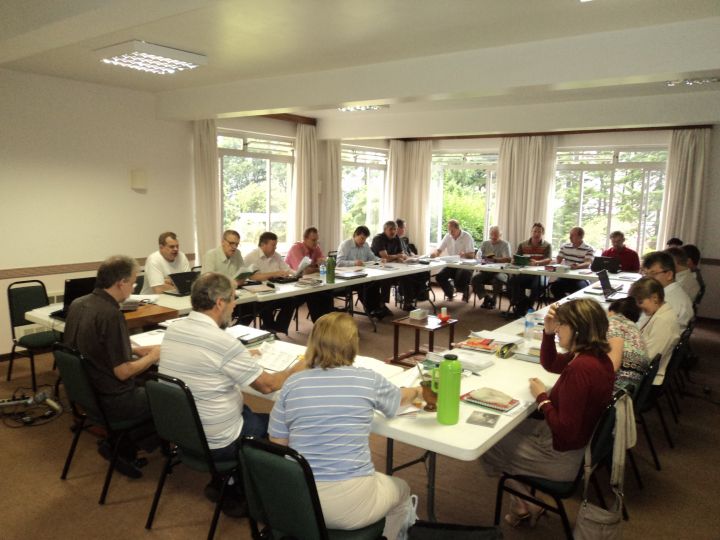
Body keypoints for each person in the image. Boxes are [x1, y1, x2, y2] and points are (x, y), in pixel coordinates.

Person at [160, 272, 305, 516]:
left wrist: (238, 358)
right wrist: (300, 366)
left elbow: (202, 360)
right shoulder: (222, 342)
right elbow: (267, 385)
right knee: (289, 423)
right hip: (220, 441)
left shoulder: (174, 330)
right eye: (233, 299)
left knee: (250, 411)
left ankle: (228, 480)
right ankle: (272, 495)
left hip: (183, 433)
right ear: (219, 303)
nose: (235, 304)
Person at [268, 312, 421, 539]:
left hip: (298, 499)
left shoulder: (292, 383)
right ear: (353, 345)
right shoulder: (367, 379)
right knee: (402, 489)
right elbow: (398, 400)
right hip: (348, 505)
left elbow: (277, 443)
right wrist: (418, 390)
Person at [482, 298, 614, 527]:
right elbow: (551, 363)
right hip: (575, 444)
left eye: (562, 325)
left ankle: (526, 503)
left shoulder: (581, 368)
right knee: (500, 426)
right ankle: (523, 503)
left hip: (561, 457)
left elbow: (566, 429)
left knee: (485, 440)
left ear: (578, 329)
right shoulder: (594, 356)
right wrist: (547, 332)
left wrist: (542, 397)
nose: (558, 329)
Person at [64, 255, 160, 478]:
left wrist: (135, 351)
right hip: (114, 400)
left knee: (149, 380)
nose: (134, 286)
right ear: (121, 283)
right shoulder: (111, 314)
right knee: (170, 395)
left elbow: (91, 346)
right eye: (134, 281)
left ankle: (122, 442)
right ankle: (127, 444)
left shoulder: (79, 304)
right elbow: (123, 372)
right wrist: (153, 355)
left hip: (88, 394)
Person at [629, 277, 681, 385]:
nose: (637, 306)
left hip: (647, 381)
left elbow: (647, 358)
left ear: (655, 298)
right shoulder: (658, 313)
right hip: (643, 370)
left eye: (640, 302)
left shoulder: (663, 322)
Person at [244, 232, 296, 333]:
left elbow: (287, 269)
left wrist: (297, 273)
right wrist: (274, 273)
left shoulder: (276, 255)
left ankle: (276, 329)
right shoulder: (251, 257)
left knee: (292, 300)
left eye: (276, 245)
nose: (275, 248)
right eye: (273, 245)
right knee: (265, 305)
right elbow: (253, 277)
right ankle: (270, 329)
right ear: (263, 244)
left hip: (275, 290)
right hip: (258, 293)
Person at [371, 221, 427, 312]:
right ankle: (382, 305)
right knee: (386, 278)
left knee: (408, 276)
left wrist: (397, 257)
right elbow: (385, 257)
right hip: (378, 268)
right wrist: (397, 257)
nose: (393, 231)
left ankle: (408, 303)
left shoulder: (396, 237)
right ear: (385, 230)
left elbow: (402, 254)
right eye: (391, 229)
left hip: (393, 267)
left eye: (395, 229)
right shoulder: (378, 239)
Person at [285, 227, 334, 322]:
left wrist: (322, 264)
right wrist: (318, 267)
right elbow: (303, 271)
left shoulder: (316, 248)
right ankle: (319, 323)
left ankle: (328, 321)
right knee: (314, 292)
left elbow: (324, 265)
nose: (316, 243)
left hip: (308, 282)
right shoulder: (296, 248)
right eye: (313, 240)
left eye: (317, 240)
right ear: (305, 239)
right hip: (291, 285)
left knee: (327, 290)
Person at [337, 226, 385, 318]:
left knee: (375, 282)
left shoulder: (365, 245)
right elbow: (339, 263)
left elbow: (372, 258)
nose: (363, 241)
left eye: (365, 238)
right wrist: (354, 263)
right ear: (355, 235)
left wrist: (380, 260)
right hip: (349, 277)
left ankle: (377, 308)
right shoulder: (345, 245)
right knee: (366, 286)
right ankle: (372, 309)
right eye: (362, 238)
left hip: (363, 274)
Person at [606, 297, 651, 395]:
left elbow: (612, 366)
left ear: (611, 311)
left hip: (616, 393)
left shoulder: (613, 324)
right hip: (631, 391)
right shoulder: (634, 329)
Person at [507, 222, 552, 318]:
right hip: (526, 273)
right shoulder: (522, 244)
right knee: (512, 282)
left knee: (536, 287)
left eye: (539, 232)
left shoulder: (547, 245)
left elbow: (548, 260)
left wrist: (537, 262)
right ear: (531, 232)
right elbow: (516, 257)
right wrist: (514, 260)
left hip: (540, 274)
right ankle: (523, 305)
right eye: (535, 231)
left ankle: (525, 306)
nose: (536, 234)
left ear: (542, 233)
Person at [640, 251, 693, 328]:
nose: (647, 279)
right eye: (645, 273)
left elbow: (641, 328)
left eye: (653, 273)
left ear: (669, 275)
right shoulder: (673, 292)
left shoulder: (665, 302)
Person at [431, 219, 475, 301]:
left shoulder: (467, 237)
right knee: (440, 277)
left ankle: (466, 289)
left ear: (458, 228)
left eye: (452, 230)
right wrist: (434, 254)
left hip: (465, 265)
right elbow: (439, 250)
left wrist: (464, 254)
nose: (450, 233)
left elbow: (472, 255)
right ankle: (451, 292)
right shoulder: (448, 236)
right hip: (452, 265)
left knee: (461, 274)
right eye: (449, 230)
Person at [471, 225, 511, 309]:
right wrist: (481, 259)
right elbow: (478, 256)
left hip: (499, 272)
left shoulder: (505, 244)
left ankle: (494, 300)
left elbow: (507, 259)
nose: (493, 236)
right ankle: (486, 298)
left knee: (497, 280)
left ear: (500, 235)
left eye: (496, 234)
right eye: (492, 234)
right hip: (486, 271)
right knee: (475, 279)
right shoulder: (485, 243)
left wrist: (495, 259)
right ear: (489, 234)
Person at [549, 226, 594, 299]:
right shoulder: (565, 246)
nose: (570, 237)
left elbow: (588, 263)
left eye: (572, 235)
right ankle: (564, 306)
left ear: (580, 236)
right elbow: (558, 260)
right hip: (566, 277)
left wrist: (578, 266)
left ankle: (574, 308)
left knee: (580, 290)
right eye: (570, 234)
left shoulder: (589, 249)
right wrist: (553, 263)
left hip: (581, 278)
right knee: (554, 287)